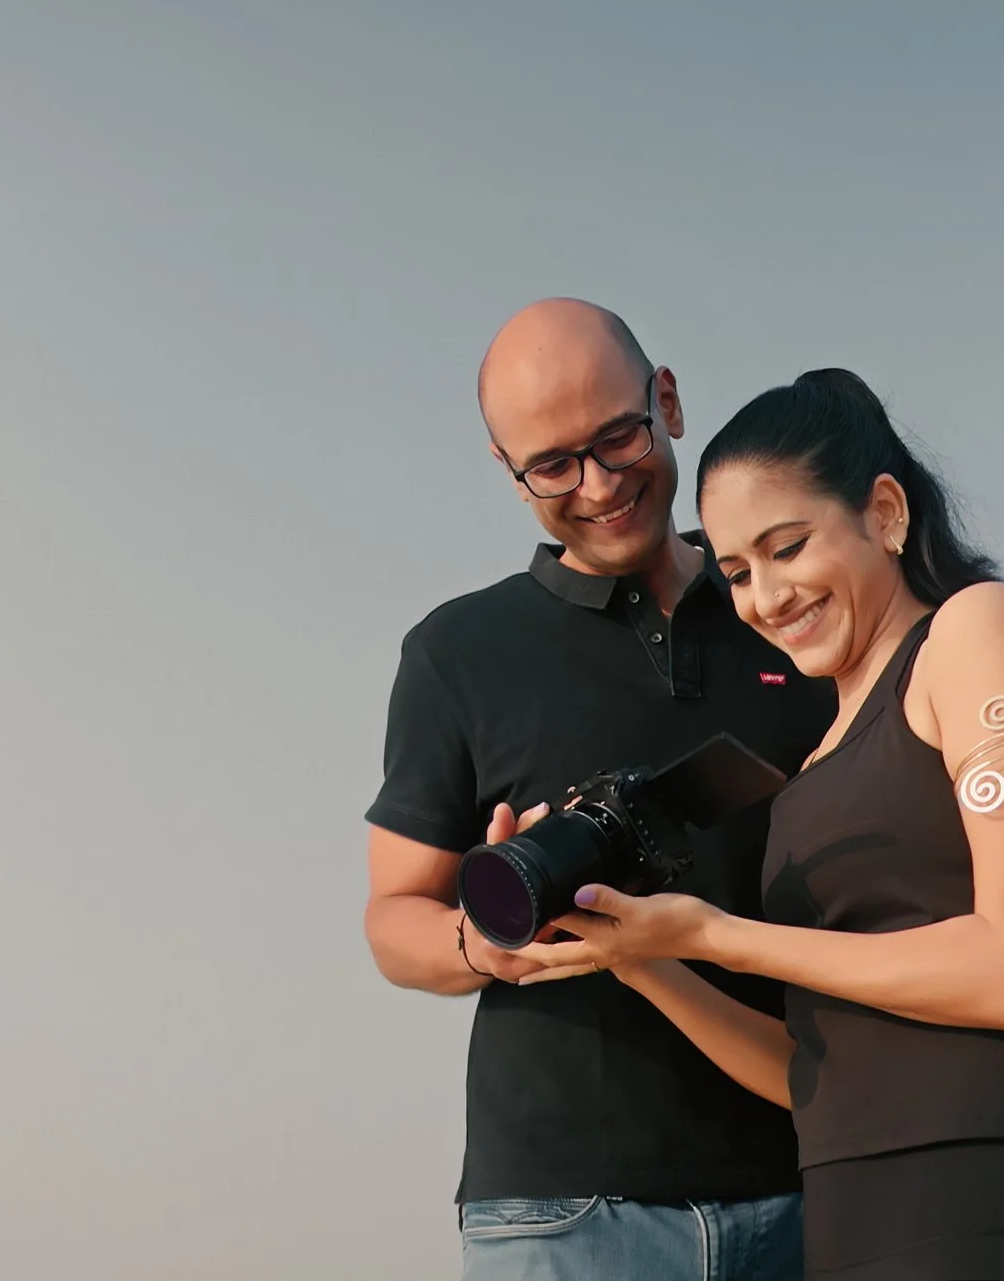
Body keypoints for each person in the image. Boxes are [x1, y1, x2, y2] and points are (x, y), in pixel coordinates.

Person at [508, 368, 1004, 1279]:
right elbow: (810, 1075)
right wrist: (644, 958)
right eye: (736, 571)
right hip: (856, 1235)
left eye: (788, 547)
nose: (764, 597)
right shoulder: (815, 764)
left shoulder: (975, 636)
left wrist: (728, 937)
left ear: (885, 513)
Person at [361, 299, 837, 1281]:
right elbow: (391, 917)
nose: (598, 485)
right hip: (565, 1212)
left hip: (821, 1174)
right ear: (507, 469)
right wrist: (490, 942)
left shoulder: (793, 599)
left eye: (617, 437)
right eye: (552, 465)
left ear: (665, 399)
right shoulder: (456, 653)